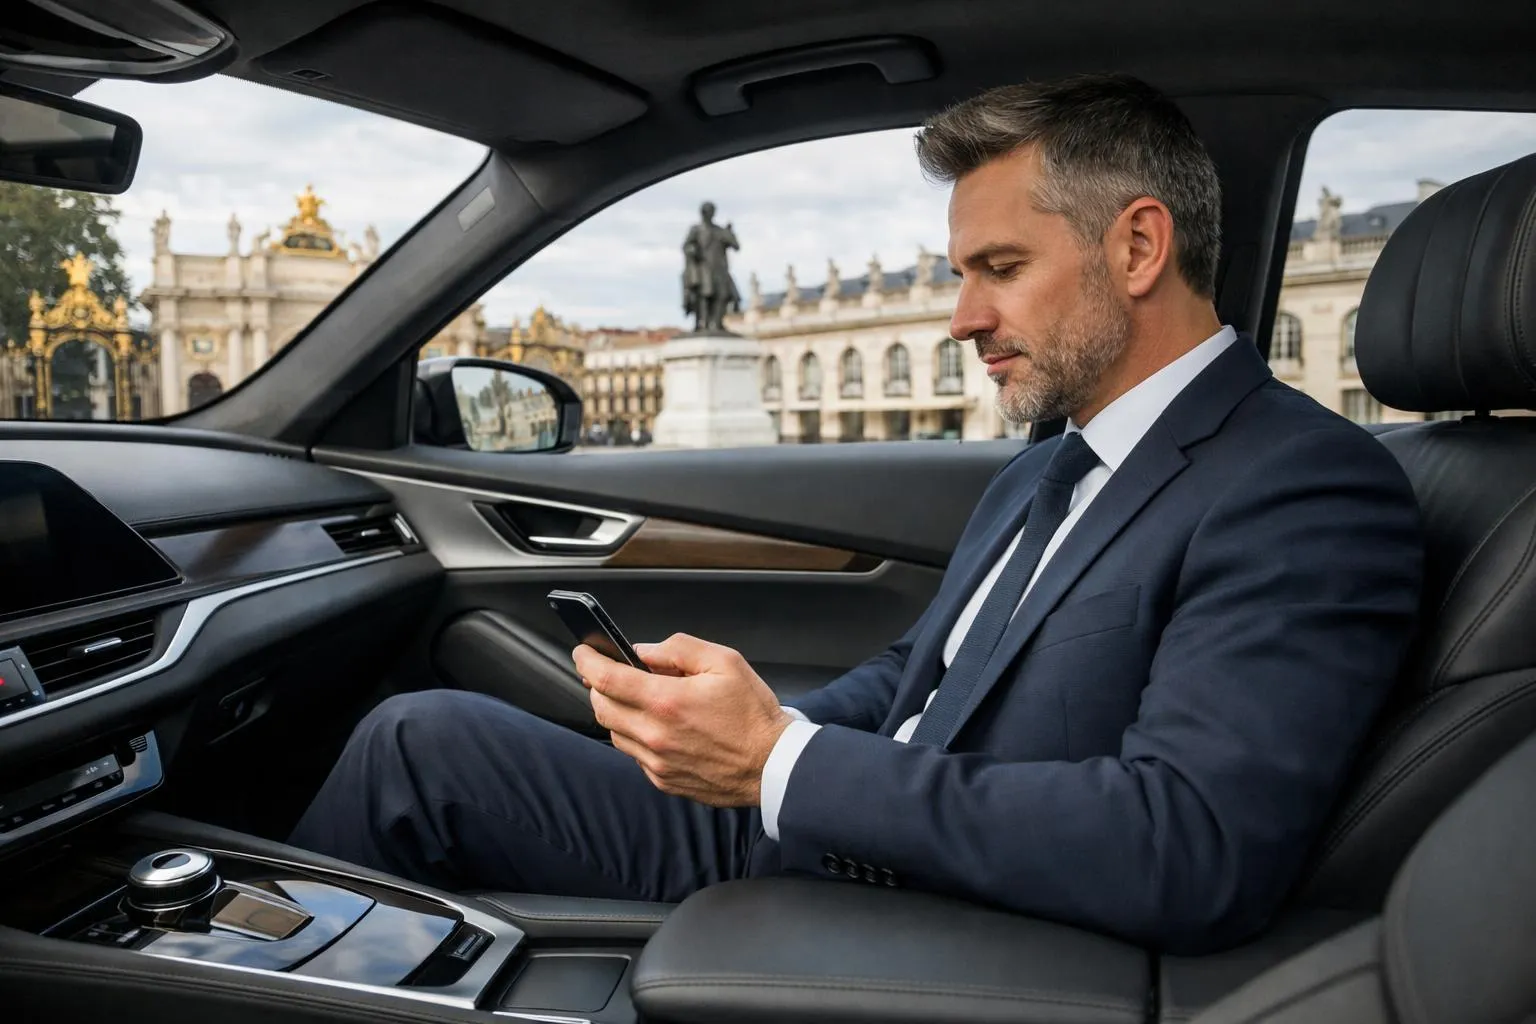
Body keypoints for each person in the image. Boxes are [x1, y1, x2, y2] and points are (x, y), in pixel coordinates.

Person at [289, 74, 1423, 954]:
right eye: (960, 272)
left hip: (934, 906)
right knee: (421, 738)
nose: (962, 317)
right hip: (837, 822)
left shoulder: (1303, 484)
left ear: (1137, 245)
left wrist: (785, 763)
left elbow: (1189, 847)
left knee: (411, 751)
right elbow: (923, 673)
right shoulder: (1051, 466)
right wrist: (746, 729)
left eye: (1000, 266)